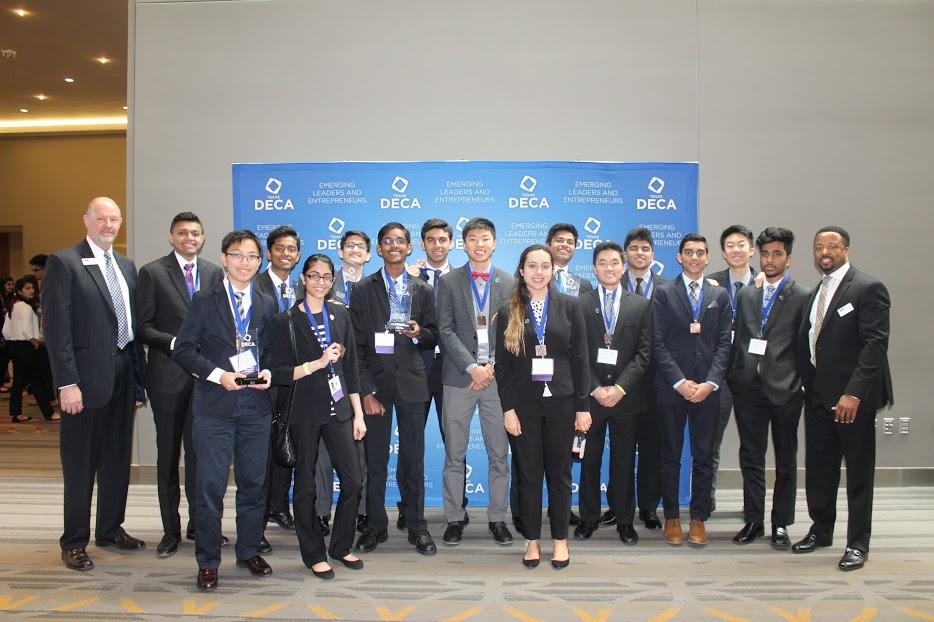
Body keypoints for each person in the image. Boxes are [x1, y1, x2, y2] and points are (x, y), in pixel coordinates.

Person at [43, 197, 147, 571]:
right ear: (85, 219)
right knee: (80, 463)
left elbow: (130, 330)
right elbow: (57, 330)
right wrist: (66, 383)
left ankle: (109, 528)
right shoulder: (63, 263)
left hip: (122, 375)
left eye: (114, 219)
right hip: (84, 382)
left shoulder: (125, 266)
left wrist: (138, 383)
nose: (108, 225)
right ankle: (73, 541)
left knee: (117, 459)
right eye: (100, 218)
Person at [173, 229, 277, 591]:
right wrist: (219, 376)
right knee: (210, 487)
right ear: (223, 258)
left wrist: (267, 373)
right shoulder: (204, 300)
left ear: (259, 261)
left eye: (251, 256)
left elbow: (272, 351)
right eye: (237, 255)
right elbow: (183, 350)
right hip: (215, 406)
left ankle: (249, 549)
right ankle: (207, 561)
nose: (244, 262)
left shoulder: (266, 302)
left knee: (253, 484)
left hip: (256, 407)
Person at [793, 226, 893, 572]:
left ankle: (857, 544)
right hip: (819, 398)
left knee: (858, 474)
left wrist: (853, 393)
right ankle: (821, 531)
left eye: (832, 246)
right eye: (819, 246)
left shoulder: (867, 288)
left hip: (853, 401)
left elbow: (875, 346)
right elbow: (811, 342)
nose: (825, 252)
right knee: (820, 471)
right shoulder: (814, 293)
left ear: (846, 249)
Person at [270, 254, 366, 579]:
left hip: (338, 408)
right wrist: (317, 364)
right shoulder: (286, 321)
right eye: (314, 276)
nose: (321, 282)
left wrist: (358, 414)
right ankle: (313, 554)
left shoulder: (340, 314)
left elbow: (350, 369)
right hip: (304, 411)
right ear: (303, 279)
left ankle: (340, 546)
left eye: (326, 277)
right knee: (307, 486)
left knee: (353, 479)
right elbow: (279, 372)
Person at [494, 244, 590, 569]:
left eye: (544, 266)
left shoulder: (570, 306)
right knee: (529, 475)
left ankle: (560, 540)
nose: (538, 272)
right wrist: (508, 409)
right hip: (524, 406)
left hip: (563, 403)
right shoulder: (509, 311)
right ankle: (532, 539)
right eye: (532, 266)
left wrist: (582, 406)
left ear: (552, 270)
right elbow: (503, 367)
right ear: (521, 270)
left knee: (560, 475)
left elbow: (580, 359)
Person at [136, 212, 224, 558]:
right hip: (168, 378)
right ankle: (170, 530)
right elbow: (142, 327)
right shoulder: (152, 273)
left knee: (203, 458)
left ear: (203, 239)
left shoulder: (215, 273)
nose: (190, 238)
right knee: (169, 456)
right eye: (183, 233)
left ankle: (199, 525)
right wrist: (175, 343)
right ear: (171, 237)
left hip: (205, 379)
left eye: (196, 234)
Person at [350, 222, 439, 555]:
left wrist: (418, 333)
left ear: (409, 247)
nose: (394, 246)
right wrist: (367, 391)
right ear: (379, 247)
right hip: (377, 385)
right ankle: (375, 526)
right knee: (375, 461)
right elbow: (356, 345)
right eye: (388, 241)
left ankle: (416, 525)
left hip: (414, 384)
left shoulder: (423, 289)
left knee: (413, 459)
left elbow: (433, 335)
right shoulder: (362, 290)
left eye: (400, 241)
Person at [728, 227, 809, 548]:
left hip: (786, 388)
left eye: (777, 254)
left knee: (786, 459)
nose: (770, 260)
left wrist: (800, 384)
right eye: (765, 254)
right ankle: (754, 520)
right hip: (749, 388)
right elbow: (742, 339)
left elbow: (806, 345)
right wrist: (736, 376)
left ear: (788, 259)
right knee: (751, 457)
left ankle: (781, 523)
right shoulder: (747, 294)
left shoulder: (802, 296)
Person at [436, 217, 513, 546]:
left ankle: (498, 517)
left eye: (485, 239)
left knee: (499, 454)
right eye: (473, 239)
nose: (479, 244)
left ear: (494, 243)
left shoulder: (509, 282)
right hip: (459, 378)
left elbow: (514, 332)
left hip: (497, 381)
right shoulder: (449, 281)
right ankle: (454, 517)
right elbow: (445, 329)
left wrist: (492, 365)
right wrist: (471, 367)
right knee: (455, 453)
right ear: (463, 244)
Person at [651, 233, 732, 547]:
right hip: (673, 388)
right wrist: (680, 382)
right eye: (688, 252)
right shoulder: (663, 293)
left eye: (700, 252)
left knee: (703, 456)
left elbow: (725, 343)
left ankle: (698, 517)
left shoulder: (720, 295)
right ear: (679, 257)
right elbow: (657, 342)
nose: (694, 257)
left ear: (708, 258)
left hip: (708, 391)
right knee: (670, 455)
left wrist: (710, 383)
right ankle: (671, 516)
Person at [574, 242, 651, 545]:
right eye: (602, 263)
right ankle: (588, 518)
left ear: (624, 266)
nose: (609, 268)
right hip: (591, 398)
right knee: (589, 460)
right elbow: (576, 353)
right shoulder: (580, 303)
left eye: (614, 263)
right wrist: (594, 387)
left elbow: (644, 354)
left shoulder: (641, 305)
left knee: (623, 462)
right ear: (594, 268)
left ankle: (624, 520)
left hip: (626, 397)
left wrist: (619, 388)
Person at [409, 218, 468, 531]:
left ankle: (458, 507)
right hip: (416, 368)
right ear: (422, 244)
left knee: (455, 443)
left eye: (443, 239)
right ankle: (410, 510)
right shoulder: (409, 279)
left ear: (451, 243)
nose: (437, 245)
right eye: (430, 239)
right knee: (412, 443)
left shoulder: (461, 279)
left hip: (453, 370)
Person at [253, 226, 302, 546]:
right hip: (261, 379)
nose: (286, 254)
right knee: (258, 450)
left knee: (287, 441)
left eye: (291, 249)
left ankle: (279, 507)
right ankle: (255, 520)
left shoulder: (302, 287)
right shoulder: (253, 286)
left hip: (295, 378)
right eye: (280, 249)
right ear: (269, 253)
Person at [321, 230, 372, 535]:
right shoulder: (324, 282)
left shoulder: (375, 287)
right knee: (324, 453)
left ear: (369, 254)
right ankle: (320, 511)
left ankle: (362, 511)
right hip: (326, 376)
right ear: (340, 252)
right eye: (350, 246)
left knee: (361, 445)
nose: (355, 250)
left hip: (361, 373)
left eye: (361, 247)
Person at [619, 228, 668, 531]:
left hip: (656, 381)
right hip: (620, 380)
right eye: (634, 248)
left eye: (645, 249)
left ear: (652, 255)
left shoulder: (668, 288)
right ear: (625, 253)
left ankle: (649, 507)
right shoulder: (610, 284)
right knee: (622, 451)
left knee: (652, 448)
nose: (639, 253)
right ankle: (619, 506)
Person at [707, 224, 756, 512]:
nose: (736, 250)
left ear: (751, 250)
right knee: (711, 443)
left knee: (751, 446)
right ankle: (707, 501)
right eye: (730, 246)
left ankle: (752, 508)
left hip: (753, 377)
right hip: (719, 376)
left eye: (741, 245)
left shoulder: (766, 285)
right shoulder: (710, 284)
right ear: (723, 253)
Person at [3, 277, 57, 422]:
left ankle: (16, 414)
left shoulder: (13, 305)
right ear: (19, 290)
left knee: (18, 382)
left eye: (32, 287)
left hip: (13, 346)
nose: (31, 291)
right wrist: (37, 342)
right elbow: (28, 332)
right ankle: (49, 413)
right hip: (26, 347)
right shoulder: (25, 307)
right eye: (27, 288)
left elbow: (5, 330)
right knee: (36, 380)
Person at [546, 223, 594, 298]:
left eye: (570, 242)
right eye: (559, 240)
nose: (565, 245)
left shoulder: (584, 285)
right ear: (548, 245)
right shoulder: (536, 277)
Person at [0, 275, 16, 392]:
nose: (11, 287)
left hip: (10, 333)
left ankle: (4, 381)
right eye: (8, 284)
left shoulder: (12, 298)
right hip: (2, 332)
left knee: (5, 358)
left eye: (12, 284)